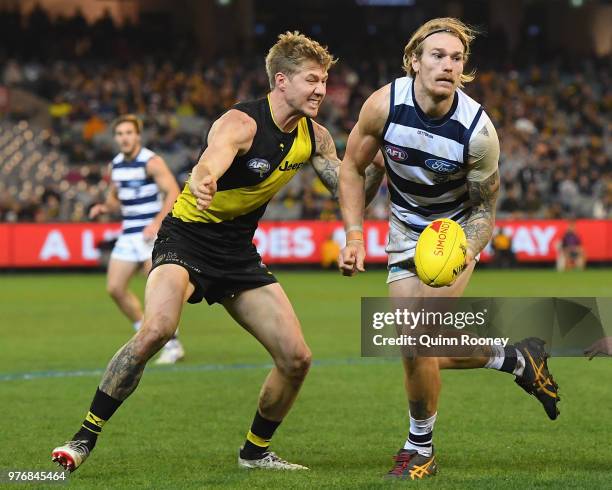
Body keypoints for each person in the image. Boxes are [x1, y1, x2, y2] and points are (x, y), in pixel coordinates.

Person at [52, 32, 384, 473]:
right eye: (313, 80)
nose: (322, 90)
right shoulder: (240, 123)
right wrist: (205, 177)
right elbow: (212, 158)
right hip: (186, 237)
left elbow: (349, 186)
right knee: (157, 330)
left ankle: (255, 453)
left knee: (297, 358)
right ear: (281, 81)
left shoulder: (315, 137)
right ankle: (83, 438)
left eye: (324, 80)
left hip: (236, 254)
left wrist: (376, 171)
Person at [338, 18, 559, 480]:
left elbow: (484, 213)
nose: (448, 65)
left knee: (421, 341)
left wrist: (462, 251)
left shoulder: (478, 132)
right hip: (403, 231)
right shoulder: (383, 104)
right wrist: (355, 235)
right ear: (414, 61)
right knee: (412, 346)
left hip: (452, 233)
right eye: (437, 55)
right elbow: (352, 167)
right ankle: (516, 358)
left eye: (456, 58)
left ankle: (421, 449)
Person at [89, 114, 184, 364]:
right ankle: (146, 333)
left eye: (129, 133)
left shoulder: (151, 161)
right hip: (129, 234)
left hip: (151, 235)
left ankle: (172, 344)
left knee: (156, 294)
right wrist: (103, 208)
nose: (124, 138)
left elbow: (173, 191)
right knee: (115, 288)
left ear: (138, 136)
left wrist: (156, 222)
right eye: (120, 134)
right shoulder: (116, 165)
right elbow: (115, 199)